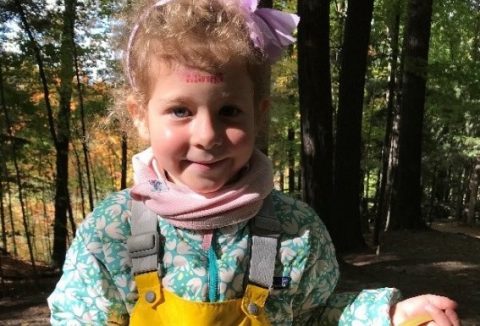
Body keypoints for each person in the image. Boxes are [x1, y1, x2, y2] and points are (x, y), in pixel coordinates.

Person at [47, 0, 460, 324]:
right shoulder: (115, 230)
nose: (207, 135)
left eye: (229, 112)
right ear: (140, 116)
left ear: (259, 114)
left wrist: (388, 317)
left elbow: (317, 317)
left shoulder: (292, 230)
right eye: (180, 111)